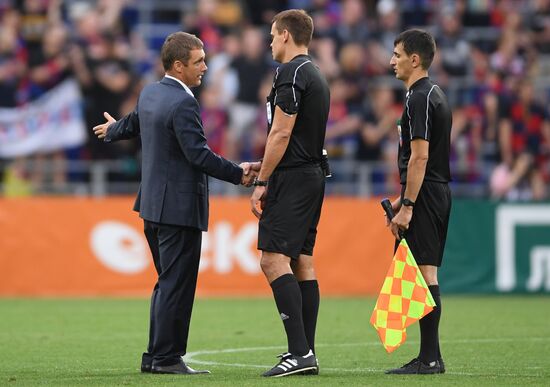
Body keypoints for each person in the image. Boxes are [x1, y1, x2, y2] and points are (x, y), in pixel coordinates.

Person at [93, 31, 257, 375]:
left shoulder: (151, 91)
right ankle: (166, 358)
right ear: (179, 65)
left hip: (152, 207)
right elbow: (197, 154)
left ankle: (156, 356)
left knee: (166, 282)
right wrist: (238, 174)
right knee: (176, 284)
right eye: (199, 61)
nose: (205, 67)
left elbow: (134, 123)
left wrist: (112, 131)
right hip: (179, 209)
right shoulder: (183, 102)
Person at [249, 9, 330, 378]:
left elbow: (281, 133)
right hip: (312, 174)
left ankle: (299, 352)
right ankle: (306, 351)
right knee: (302, 261)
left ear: (284, 35)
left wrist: (263, 180)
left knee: (272, 259)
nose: (269, 41)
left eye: (271, 35)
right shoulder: (314, 73)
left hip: (293, 178)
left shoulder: (290, 73)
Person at [385, 29, 452, 374]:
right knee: (426, 272)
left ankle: (429, 358)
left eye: (396, 55)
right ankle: (430, 355)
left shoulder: (418, 98)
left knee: (425, 272)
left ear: (414, 59)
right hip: (433, 190)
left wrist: (409, 204)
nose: (391, 61)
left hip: (426, 195)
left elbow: (420, 157)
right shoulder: (435, 93)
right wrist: (403, 197)